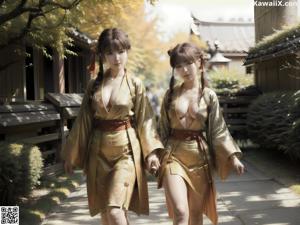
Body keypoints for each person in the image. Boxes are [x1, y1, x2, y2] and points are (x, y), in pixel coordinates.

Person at [61, 28, 163, 225]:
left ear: (127, 52)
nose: (117, 58)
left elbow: (145, 119)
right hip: (97, 153)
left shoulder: (135, 83)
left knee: (114, 211)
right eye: (110, 52)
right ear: (102, 55)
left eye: (121, 51)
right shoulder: (94, 85)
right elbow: (83, 121)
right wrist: (71, 154)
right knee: (107, 214)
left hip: (125, 152)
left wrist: (151, 153)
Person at [158, 42, 245, 225]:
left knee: (196, 214)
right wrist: (155, 155)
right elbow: (162, 129)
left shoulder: (209, 96)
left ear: (199, 62)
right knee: (181, 211)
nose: (184, 70)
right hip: (173, 155)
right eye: (178, 66)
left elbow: (218, 129)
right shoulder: (169, 95)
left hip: (200, 159)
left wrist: (232, 157)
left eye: (188, 63)